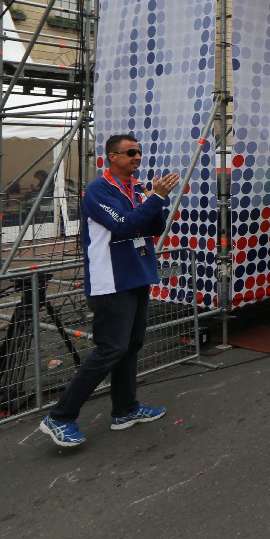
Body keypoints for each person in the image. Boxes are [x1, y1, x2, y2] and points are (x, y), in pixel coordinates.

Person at [39, 135, 180, 448]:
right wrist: (155, 198)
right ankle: (60, 416)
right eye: (131, 152)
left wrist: (156, 201)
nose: (137, 157)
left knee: (131, 346)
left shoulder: (135, 188)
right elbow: (125, 225)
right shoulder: (98, 190)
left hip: (137, 276)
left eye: (139, 152)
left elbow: (154, 228)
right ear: (112, 157)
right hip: (111, 281)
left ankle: (125, 409)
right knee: (111, 349)